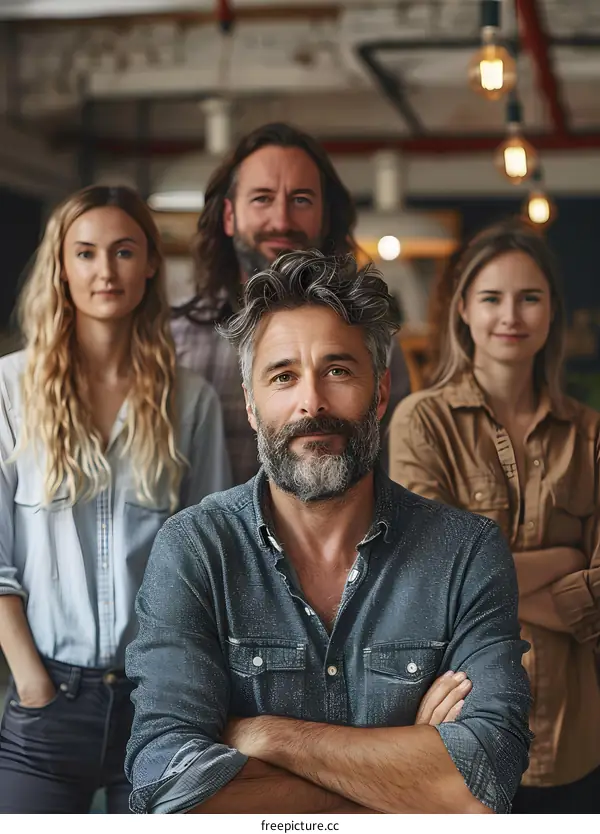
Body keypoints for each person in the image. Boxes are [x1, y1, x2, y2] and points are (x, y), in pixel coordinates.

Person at [125, 250, 531, 814]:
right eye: (283, 376)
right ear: (249, 404)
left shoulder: (465, 554)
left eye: (338, 371)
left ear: (381, 393)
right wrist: (404, 777)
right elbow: (168, 787)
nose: (311, 402)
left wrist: (266, 735)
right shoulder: (195, 551)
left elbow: (482, 783)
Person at [0, 185, 231, 814]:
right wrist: (34, 684)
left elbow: (209, 563)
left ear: (151, 264)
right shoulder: (8, 390)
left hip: (157, 702)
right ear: (62, 267)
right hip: (47, 701)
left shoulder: (192, 401)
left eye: (124, 251)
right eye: (87, 253)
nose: (106, 271)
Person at [389, 218, 600, 813]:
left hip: (575, 737)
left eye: (529, 298)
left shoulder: (589, 435)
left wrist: (480, 585)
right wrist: (567, 559)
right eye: (492, 298)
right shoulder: (421, 422)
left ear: (552, 311)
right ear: (462, 309)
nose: (511, 314)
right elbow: (426, 578)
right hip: (459, 734)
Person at [170, 122, 410, 484]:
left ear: (324, 216)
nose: (281, 220)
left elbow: (396, 476)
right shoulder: (175, 341)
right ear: (230, 216)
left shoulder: (376, 341)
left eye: (300, 200)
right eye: (262, 198)